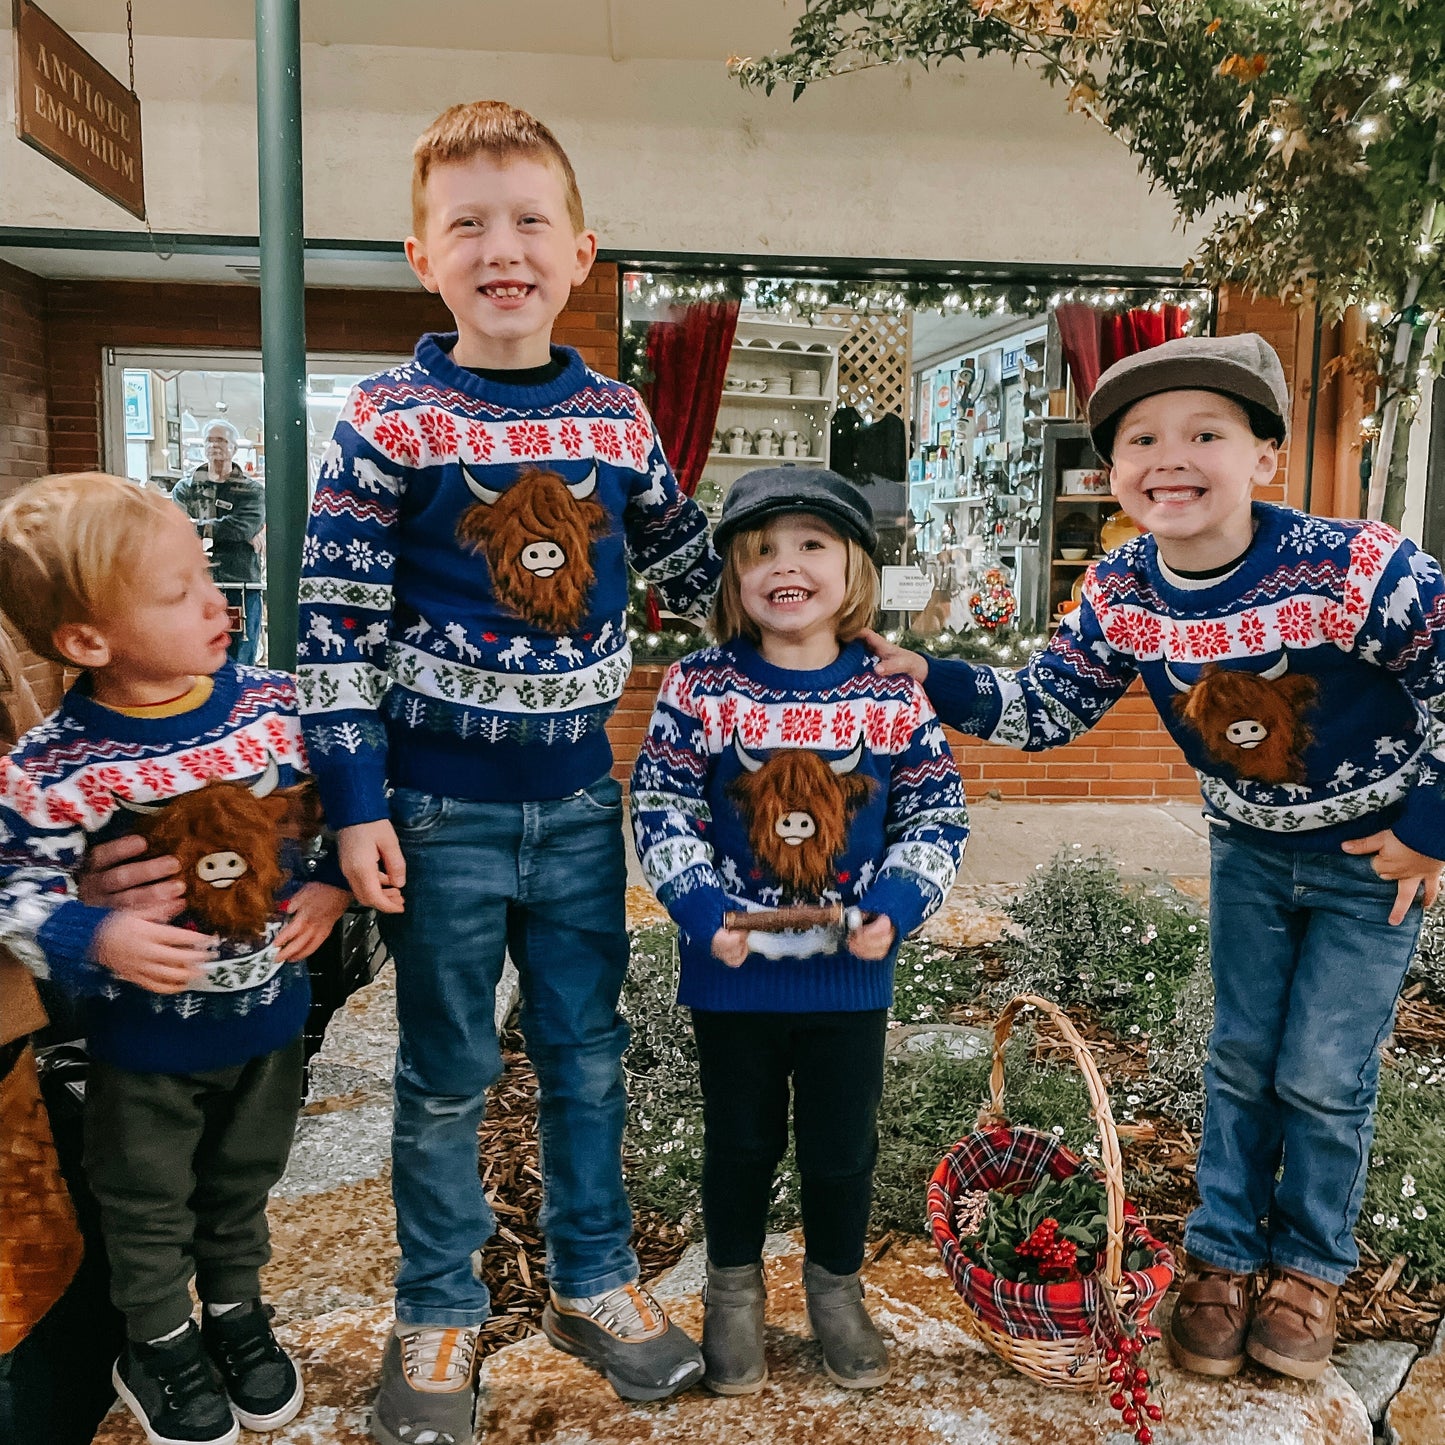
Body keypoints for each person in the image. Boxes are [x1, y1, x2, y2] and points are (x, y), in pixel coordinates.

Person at [865, 333, 1445, 1382]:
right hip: (1250, 853)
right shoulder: (1122, 587)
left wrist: (1428, 828)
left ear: (1265, 456)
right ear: (1112, 470)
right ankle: (1221, 1257)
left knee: (1320, 1069)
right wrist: (934, 677)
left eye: (1203, 433)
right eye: (1139, 438)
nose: (1167, 456)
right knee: (1236, 1055)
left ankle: (1306, 1265)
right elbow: (1048, 705)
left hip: (1372, 856)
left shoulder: (1357, 567)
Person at [294, 101, 721, 1445]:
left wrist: (813, 647)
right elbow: (331, 629)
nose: (503, 247)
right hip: (436, 811)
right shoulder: (388, 420)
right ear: (420, 253)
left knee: (588, 1052)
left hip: (580, 802)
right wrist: (355, 801)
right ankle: (440, 1302)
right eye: (467, 223)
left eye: (530, 220)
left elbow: (692, 564)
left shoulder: (616, 416)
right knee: (444, 1071)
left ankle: (595, 1278)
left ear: (580, 251)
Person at [0, 472, 352, 1445]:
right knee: (147, 1200)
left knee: (243, 1181)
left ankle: (236, 1311)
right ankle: (156, 1338)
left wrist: (330, 880)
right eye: (179, 590)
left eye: (210, 572)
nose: (219, 600)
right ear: (86, 640)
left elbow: (344, 797)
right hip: (142, 1047)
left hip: (268, 1022)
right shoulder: (56, 764)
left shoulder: (273, 708)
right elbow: (11, 883)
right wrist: (89, 930)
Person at [630, 468, 969, 1394]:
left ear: (853, 566)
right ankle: (730, 1295)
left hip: (847, 977)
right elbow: (660, 807)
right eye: (761, 551)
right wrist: (701, 912)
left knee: (839, 1144)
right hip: (733, 972)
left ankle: (835, 1289)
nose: (786, 566)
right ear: (733, 577)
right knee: (738, 1141)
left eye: (811, 545)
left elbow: (937, 817)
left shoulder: (893, 693)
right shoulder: (697, 687)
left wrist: (895, 907)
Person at [172, 420, 266, 666]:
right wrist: (226, 529)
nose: (215, 446)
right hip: (194, 586)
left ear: (234, 448)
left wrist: (201, 527)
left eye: (221, 441)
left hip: (241, 586)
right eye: (210, 441)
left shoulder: (251, 491)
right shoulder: (186, 489)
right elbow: (178, 529)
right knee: (195, 658)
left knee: (241, 659)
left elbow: (244, 526)